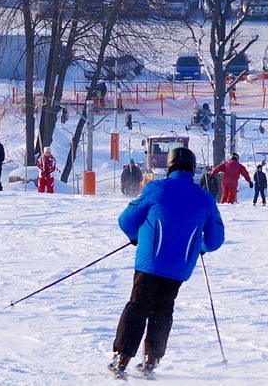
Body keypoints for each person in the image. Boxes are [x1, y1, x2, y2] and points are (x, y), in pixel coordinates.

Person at [109, 146, 225, 380]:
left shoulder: (155, 189)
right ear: (191, 169)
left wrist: (136, 237)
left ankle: (122, 357)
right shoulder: (205, 199)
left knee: (138, 305)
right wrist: (199, 247)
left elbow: (126, 220)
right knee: (163, 308)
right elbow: (215, 239)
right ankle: (151, 360)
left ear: (170, 166)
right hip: (179, 267)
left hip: (149, 262)